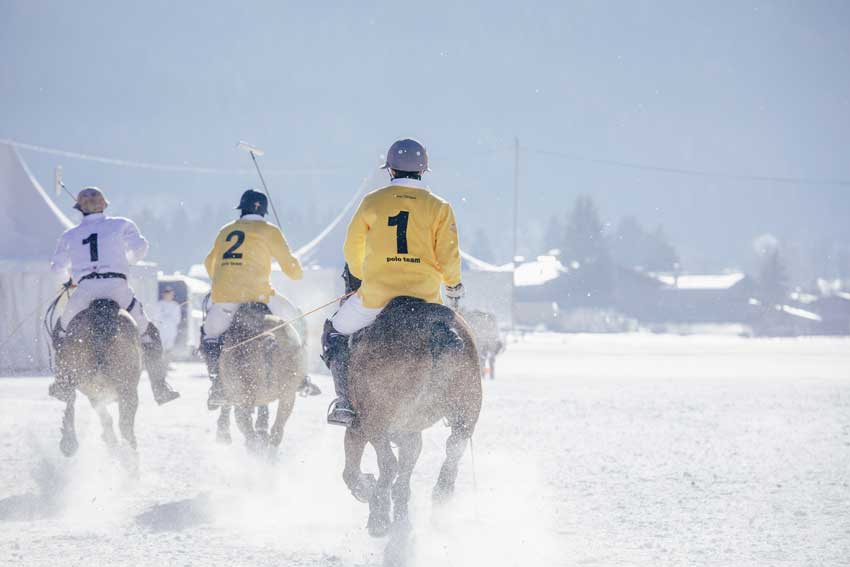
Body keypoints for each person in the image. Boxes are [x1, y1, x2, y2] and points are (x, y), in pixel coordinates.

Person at [323, 138, 465, 427]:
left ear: (390, 170)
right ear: (423, 171)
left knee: (335, 332)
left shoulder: (372, 201)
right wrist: (453, 285)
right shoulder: (439, 207)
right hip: (425, 299)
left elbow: (352, 250)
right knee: (451, 342)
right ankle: (452, 402)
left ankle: (345, 402)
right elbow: (448, 255)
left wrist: (363, 277)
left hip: (376, 299)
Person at [49, 187, 180, 405]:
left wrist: (68, 279)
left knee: (60, 332)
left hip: (84, 291)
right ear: (105, 204)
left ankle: (62, 382)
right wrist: (124, 261)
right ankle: (160, 388)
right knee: (149, 333)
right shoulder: (121, 224)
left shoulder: (69, 235)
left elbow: (57, 268)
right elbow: (141, 248)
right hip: (117, 289)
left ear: (79, 208)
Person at [200, 189, 304, 409]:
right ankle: (300, 376)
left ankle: (218, 383)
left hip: (227, 299)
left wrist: (222, 282)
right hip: (261, 298)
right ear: (264, 210)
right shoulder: (270, 231)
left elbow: (209, 264)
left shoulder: (226, 230)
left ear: (242, 207)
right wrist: (294, 264)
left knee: (209, 335)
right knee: (296, 321)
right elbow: (293, 271)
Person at [149, 286, 182, 355]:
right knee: (161, 347)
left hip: (171, 331)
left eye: (170, 295)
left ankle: (168, 362)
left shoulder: (175, 305)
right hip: (161, 330)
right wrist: (164, 319)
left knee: (169, 348)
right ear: (163, 295)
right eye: (167, 294)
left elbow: (177, 319)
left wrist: (169, 319)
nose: (168, 296)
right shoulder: (159, 304)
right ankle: (161, 362)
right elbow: (156, 317)